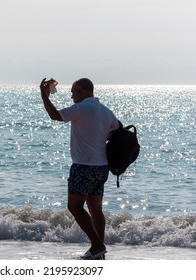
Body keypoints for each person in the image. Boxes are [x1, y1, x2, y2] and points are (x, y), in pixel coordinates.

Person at [39, 78, 120, 260]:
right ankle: (99, 253)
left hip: (83, 166)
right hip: (101, 167)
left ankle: (97, 245)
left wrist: (44, 97)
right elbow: (117, 130)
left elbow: (55, 116)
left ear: (83, 91)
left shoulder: (81, 108)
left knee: (74, 206)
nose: (71, 95)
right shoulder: (105, 111)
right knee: (95, 210)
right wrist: (99, 138)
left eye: (74, 91)